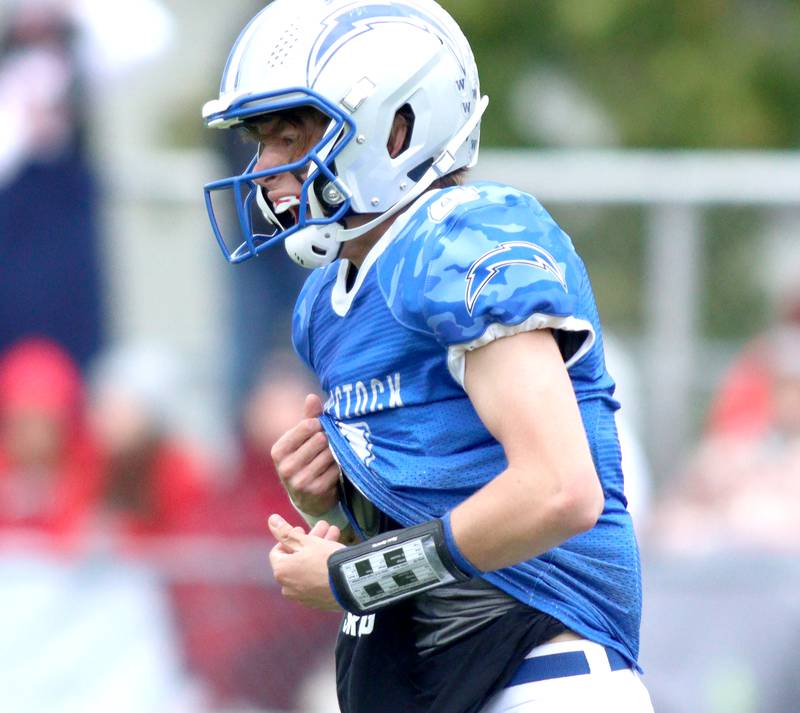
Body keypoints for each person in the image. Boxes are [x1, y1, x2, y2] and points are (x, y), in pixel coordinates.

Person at [201, 2, 653, 712]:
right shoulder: (327, 301)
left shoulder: (461, 240)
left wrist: (355, 573)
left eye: (290, 135)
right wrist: (348, 503)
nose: (265, 169)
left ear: (396, 126)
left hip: (538, 673)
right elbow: (449, 520)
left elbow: (560, 489)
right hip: (439, 680)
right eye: (261, 141)